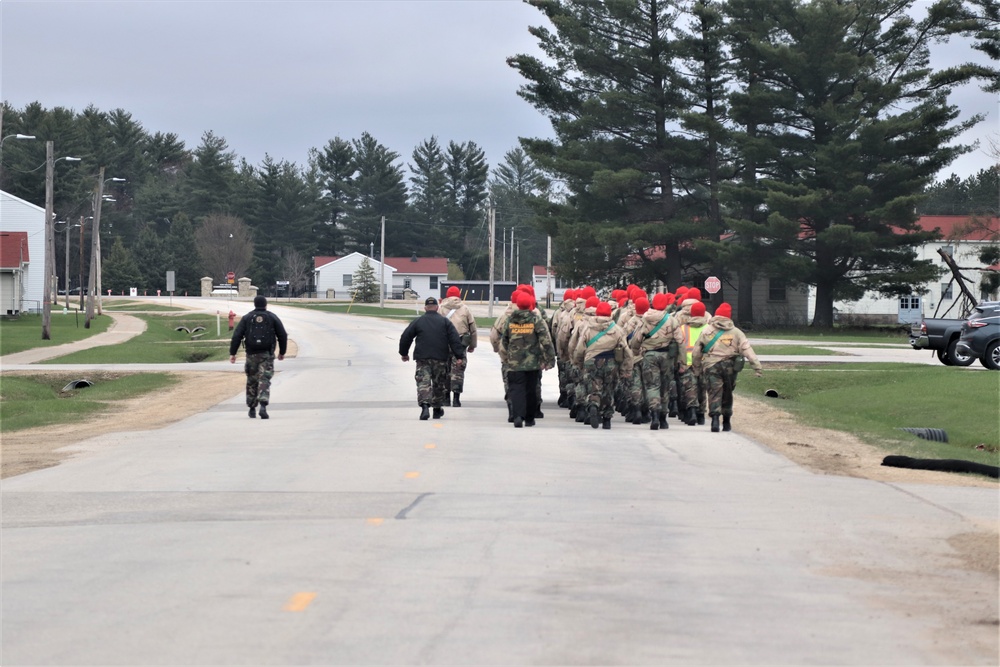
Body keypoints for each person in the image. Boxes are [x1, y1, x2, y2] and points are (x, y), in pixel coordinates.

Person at [693, 302, 763, 432]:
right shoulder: (737, 332)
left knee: (714, 392)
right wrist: (757, 366)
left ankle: (714, 419)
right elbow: (747, 349)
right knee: (727, 392)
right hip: (730, 366)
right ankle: (726, 421)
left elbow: (697, 351)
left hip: (711, 365)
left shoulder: (706, 331)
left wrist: (696, 368)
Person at [399, 296, 467, 420]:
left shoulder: (418, 321)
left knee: (423, 382)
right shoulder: (445, 322)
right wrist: (459, 356)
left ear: (425, 308)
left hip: (422, 357)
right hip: (440, 358)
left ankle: (425, 406)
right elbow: (454, 339)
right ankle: (437, 409)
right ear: (437, 308)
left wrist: (404, 353)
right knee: (439, 383)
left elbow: (406, 337)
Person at [571, 301, 634, 429]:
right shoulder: (616, 329)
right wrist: (627, 367)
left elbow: (579, 348)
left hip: (592, 361)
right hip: (611, 362)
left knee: (594, 388)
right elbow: (626, 350)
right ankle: (607, 418)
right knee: (609, 389)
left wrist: (578, 362)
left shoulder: (588, 327)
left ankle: (593, 405)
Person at [500, 292, 556, 428]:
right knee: (531, 390)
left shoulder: (510, 320)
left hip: (514, 362)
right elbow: (546, 341)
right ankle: (530, 418)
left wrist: (509, 355)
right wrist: (550, 358)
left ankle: (518, 415)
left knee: (516, 389)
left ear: (518, 305)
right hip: (532, 362)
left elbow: (504, 339)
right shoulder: (536, 320)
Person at [229, 295, 288, 419]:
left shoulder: (247, 318)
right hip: (267, 354)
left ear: (254, 304)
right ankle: (263, 406)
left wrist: (232, 353)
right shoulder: (272, 317)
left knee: (252, 380)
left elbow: (237, 336)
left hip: (251, 354)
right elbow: (282, 335)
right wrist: (282, 352)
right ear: (265, 305)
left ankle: (251, 408)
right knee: (264, 379)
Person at [439, 286, 477, 407]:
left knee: (445, 369)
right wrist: (472, 345)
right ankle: (456, 398)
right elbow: (473, 329)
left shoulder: (440, 308)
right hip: (460, 343)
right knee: (458, 370)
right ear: (458, 295)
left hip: (444, 342)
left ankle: (445, 398)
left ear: (447, 295)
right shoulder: (465, 309)